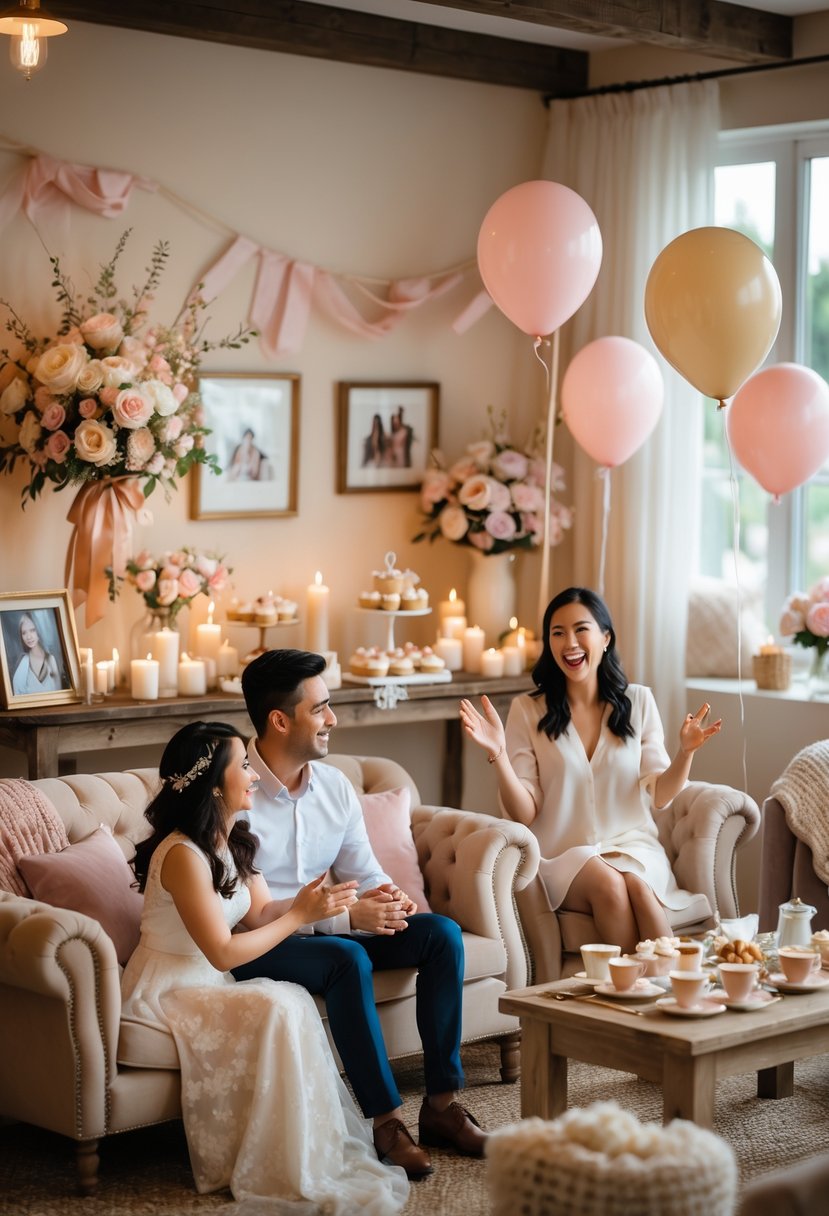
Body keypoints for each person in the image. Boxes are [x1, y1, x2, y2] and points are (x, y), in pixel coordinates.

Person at [121, 720, 408, 1214]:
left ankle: (301, 1150)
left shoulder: (231, 840)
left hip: (208, 980)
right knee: (279, 1001)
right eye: (245, 766)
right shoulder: (183, 854)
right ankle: (270, 1159)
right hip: (170, 987)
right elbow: (222, 951)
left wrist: (317, 904)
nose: (254, 775)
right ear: (214, 783)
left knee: (287, 999)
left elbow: (259, 914)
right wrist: (300, 915)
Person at [236, 649, 488, 1181]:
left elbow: (364, 870)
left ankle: (441, 1105)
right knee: (348, 957)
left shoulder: (333, 787)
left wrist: (391, 899)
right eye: (322, 708)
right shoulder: (237, 796)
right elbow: (253, 916)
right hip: (263, 939)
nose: (333, 719)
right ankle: (387, 1121)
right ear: (280, 720)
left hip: (331, 924)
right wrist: (349, 920)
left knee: (440, 934)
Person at [460, 587, 722, 955]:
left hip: (633, 847)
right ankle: (639, 997)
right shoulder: (527, 710)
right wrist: (500, 755)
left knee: (639, 889)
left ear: (605, 637)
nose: (570, 642)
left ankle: (669, 990)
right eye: (558, 632)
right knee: (610, 885)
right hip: (563, 855)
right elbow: (524, 812)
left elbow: (661, 794)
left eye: (581, 629)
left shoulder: (639, 702)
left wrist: (686, 752)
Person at [11, 612, 64, 695]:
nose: (28, 637)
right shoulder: (22, 664)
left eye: (32, 630)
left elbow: (59, 693)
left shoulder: (51, 659)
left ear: (39, 630)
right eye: (24, 633)